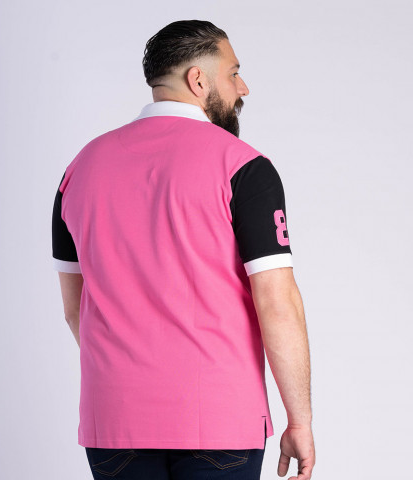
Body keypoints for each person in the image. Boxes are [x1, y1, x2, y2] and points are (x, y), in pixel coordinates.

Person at [52, 19, 315, 480]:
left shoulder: (80, 169)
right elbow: (277, 303)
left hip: (113, 421)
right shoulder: (244, 167)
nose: (243, 87)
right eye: (233, 73)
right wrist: (300, 421)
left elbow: (76, 309)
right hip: (218, 420)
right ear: (198, 80)